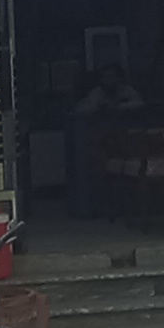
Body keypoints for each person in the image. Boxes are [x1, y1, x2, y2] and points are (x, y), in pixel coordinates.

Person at [63, 65, 144, 220]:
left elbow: (139, 103)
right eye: (106, 77)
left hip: (125, 143)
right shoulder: (97, 93)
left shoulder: (126, 91)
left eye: (112, 77)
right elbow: (81, 110)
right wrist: (98, 107)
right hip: (99, 144)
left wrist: (119, 106)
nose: (109, 81)